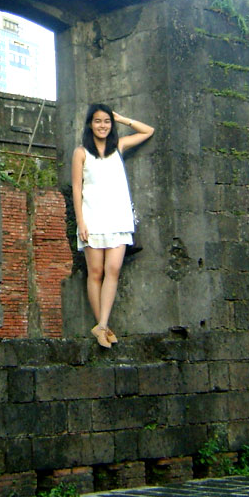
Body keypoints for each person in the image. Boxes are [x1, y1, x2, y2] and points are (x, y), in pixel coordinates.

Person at [72, 104, 155, 348]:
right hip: (92, 219)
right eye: (98, 121)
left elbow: (147, 131)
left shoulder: (118, 147)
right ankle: (103, 327)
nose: (102, 125)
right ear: (90, 124)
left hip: (117, 218)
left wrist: (122, 119)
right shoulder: (81, 152)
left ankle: (102, 325)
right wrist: (80, 221)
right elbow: (77, 188)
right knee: (95, 273)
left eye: (107, 121)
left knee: (114, 270)